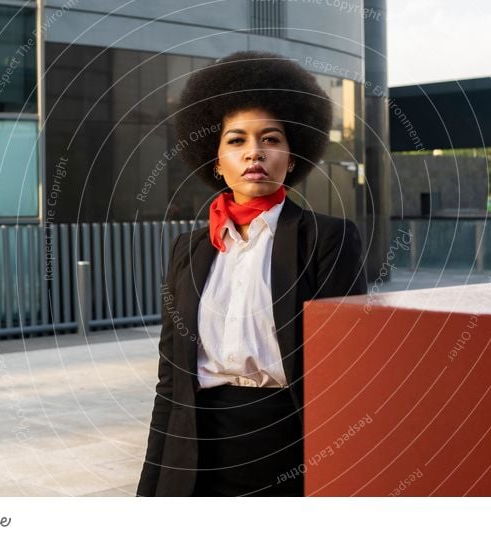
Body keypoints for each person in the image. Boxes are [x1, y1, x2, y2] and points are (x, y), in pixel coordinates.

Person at [136, 50, 367, 497]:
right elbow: (171, 379)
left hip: (286, 443)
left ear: (293, 156)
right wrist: (149, 489)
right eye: (236, 141)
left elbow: (345, 372)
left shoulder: (327, 239)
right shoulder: (188, 250)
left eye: (271, 139)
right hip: (196, 451)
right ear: (216, 160)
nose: (254, 153)